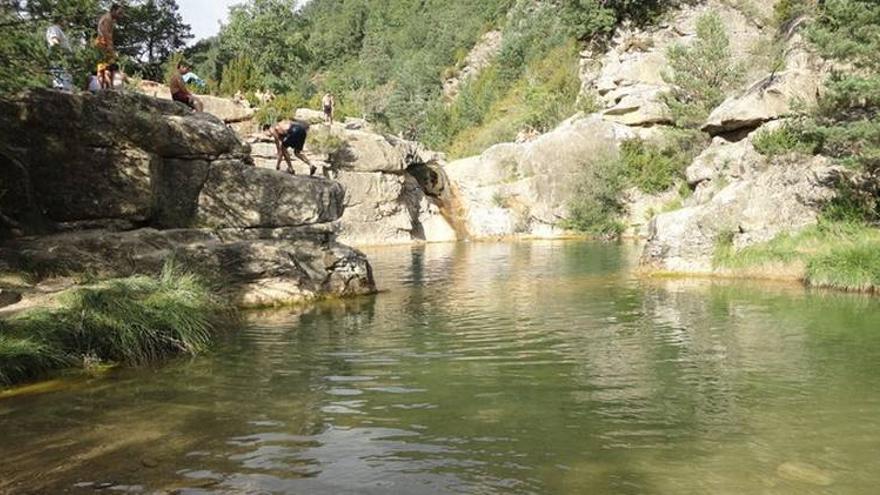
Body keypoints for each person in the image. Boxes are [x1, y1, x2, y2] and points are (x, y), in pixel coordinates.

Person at [95, 3, 123, 89]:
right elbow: (107, 35)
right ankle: (107, 90)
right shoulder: (108, 19)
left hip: (102, 44)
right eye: (119, 13)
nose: (120, 15)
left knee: (105, 68)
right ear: (113, 10)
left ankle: (105, 89)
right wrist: (111, 50)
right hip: (103, 45)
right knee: (107, 69)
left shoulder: (107, 18)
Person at [46, 19, 73, 91]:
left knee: (64, 75)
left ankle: (65, 88)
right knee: (60, 74)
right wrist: (60, 53)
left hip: (62, 57)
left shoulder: (58, 29)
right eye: (65, 20)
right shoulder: (54, 28)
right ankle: (61, 89)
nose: (67, 22)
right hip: (60, 57)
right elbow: (54, 41)